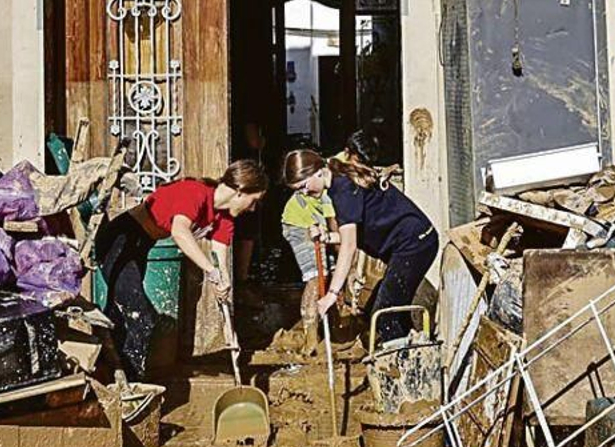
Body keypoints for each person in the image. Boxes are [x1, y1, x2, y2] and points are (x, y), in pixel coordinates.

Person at [93, 160, 268, 380]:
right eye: (254, 201)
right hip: (121, 239)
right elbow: (180, 232)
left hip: (142, 245)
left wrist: (227, 317)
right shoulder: (195, 192)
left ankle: (118, 379)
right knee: (140, 316)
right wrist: (210, 271)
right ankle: (130, 385)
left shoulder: (224, 218)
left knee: (129, 313)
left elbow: (220, 260)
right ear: (241, 191)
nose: (252, 209)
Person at [282, 149, 437, 344]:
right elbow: (351, 235)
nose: (304, 193)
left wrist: (332, 294)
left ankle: (403, 365)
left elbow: (349, 246)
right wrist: (327, 237)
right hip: (410, 243)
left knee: (384, 316)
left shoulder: (343, 191)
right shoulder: (338, 182)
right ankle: (405, 350)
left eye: (304, 186)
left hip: (415, 243)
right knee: (392, 310)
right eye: (298, 190)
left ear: (318, 172)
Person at [280, 180, 339, 354]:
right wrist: (342, 253)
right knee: (315, 277)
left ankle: (334, 330)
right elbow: (332, 222)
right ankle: (311, 338)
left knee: (333, 273)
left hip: (319, 225)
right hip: (299, 224)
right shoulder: (330, 188)